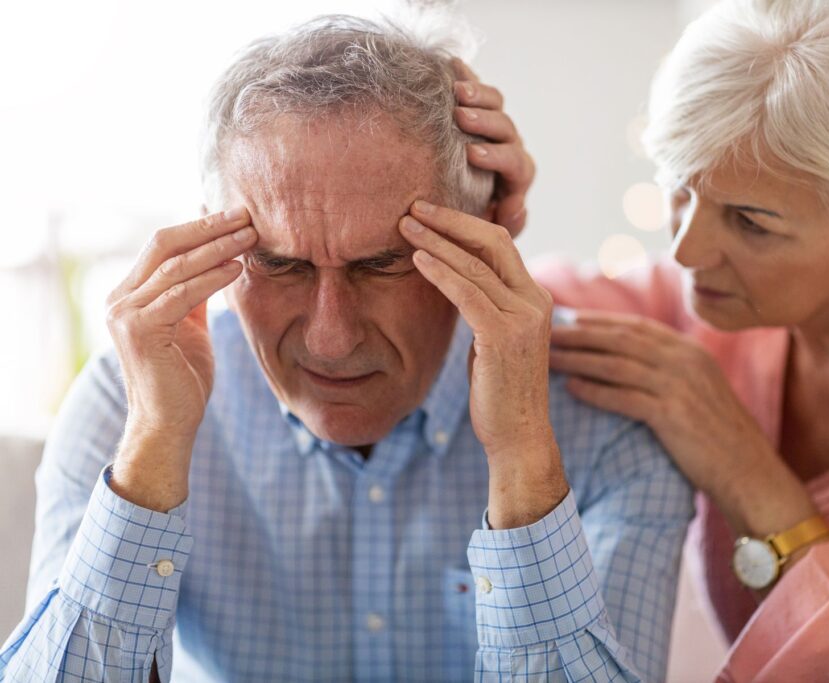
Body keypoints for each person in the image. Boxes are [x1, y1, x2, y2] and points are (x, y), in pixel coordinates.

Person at [0, 15, 692, 683]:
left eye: (381, 265)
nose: (331, 337)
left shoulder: (607, 417)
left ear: (481, 237)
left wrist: (521, 462)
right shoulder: (131, 399)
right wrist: (153, 446)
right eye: (279, 264)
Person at [456, 0, 829, 680]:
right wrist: (486, 208)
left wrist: (740, 466)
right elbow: (518, 311)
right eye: (679, 191)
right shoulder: (715, 301)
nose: (686, 249)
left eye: (750, 222)